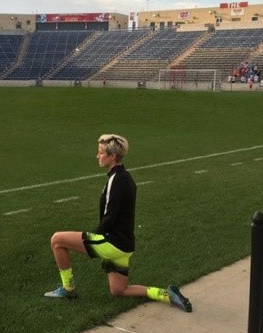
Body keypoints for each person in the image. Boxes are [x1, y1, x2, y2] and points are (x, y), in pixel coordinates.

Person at [44, 134, 192, 312]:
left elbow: (109, 218)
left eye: (100, 153)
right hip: (125, 246)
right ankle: (166, 294)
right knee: (119, 290)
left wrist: (91, 238)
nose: (97, 156)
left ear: (112, 156)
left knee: (57, 240)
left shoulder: (117, 181)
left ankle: (68, 289)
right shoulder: (125, 178)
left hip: (113, 243)